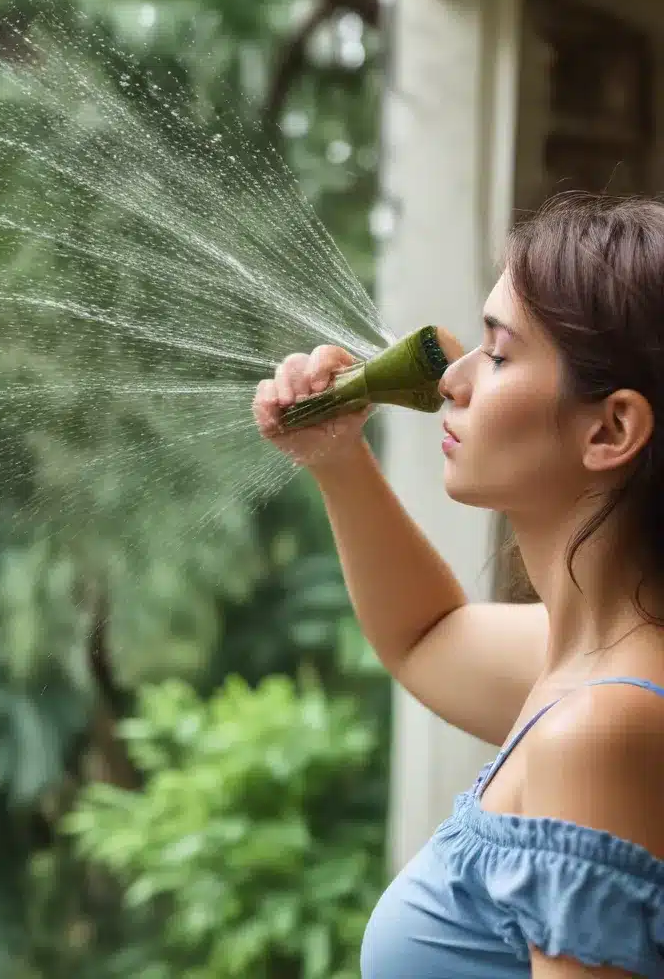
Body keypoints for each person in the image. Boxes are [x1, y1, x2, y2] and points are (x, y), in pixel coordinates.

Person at [253, 193, 664, 979]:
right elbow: (425, 637)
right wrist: (338, 460)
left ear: (609, 430)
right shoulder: (591, 665)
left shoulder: (605, 732)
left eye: (501, 355)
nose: (454, 380)